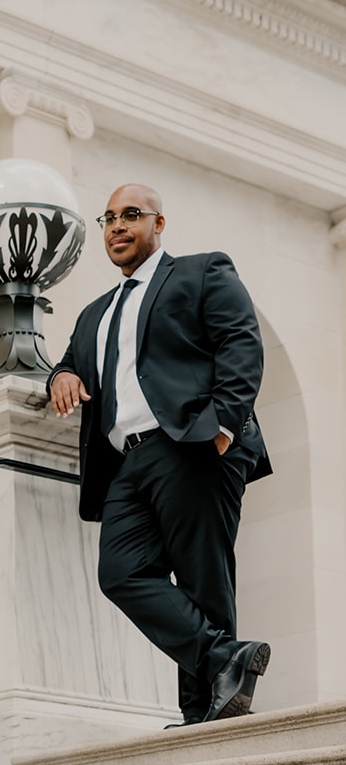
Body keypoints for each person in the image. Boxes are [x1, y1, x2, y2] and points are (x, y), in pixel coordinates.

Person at [48, 184, 272, 726]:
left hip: (192, 443)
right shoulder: (93, 314)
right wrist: (64, 375)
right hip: (128, 460)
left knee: (203, 579)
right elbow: (68, 362)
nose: (118, 227)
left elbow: (242, 342)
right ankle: (225, 659)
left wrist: (223, 422)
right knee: (120, 572)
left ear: (159, 224)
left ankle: (203, 714)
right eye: (108, 219)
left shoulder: (199, 272)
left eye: (131, 216)